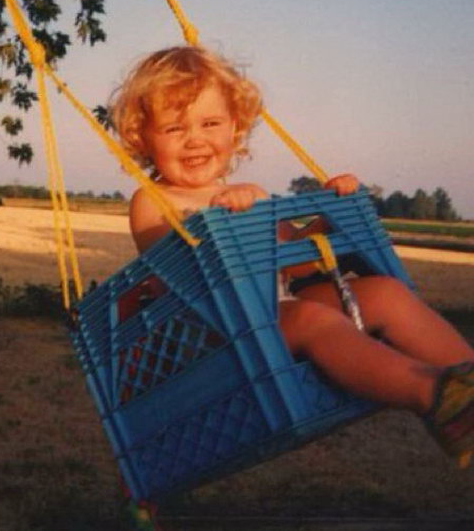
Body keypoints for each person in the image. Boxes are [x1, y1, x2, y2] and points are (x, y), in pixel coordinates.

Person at [110, 45, 474, 466]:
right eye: (174, 129)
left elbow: (297, 261)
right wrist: (227, 216)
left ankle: (467, 383)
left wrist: (328, 211)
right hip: (214, 334)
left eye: (210, 123)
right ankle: (435, 396)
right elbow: (178, 271)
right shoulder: (152, 200)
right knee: (309, 318)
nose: (195, 139)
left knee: (383, 293)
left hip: (274, 313)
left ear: (235, 129)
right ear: (143, 137)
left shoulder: (252, 195)